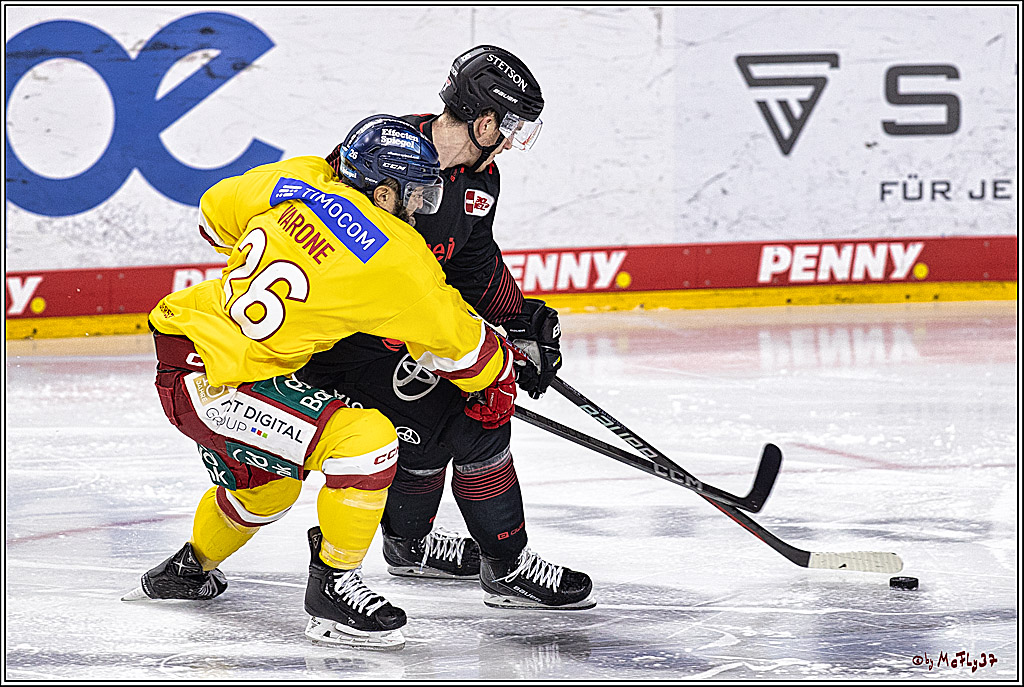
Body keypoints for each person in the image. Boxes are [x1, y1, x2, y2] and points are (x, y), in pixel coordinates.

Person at [122, 114, 524, 650]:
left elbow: (213, 217)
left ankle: (186, 569)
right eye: (417, 197)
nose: (423, 210)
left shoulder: (299, 178)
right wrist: (502, 374)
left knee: (267, 487)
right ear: (384, 192)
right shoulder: (398, 260)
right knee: (367, 442)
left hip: (189, 344)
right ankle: (332, 586)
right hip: (219, 380)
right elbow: (464, 350)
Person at [296, 46, 594, 610]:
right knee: (475, 420)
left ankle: (409, 546)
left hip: (407, 332)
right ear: (485, 122)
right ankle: (504, 566)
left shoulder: (483, 180)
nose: (509, 142)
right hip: (342, 340)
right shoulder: (383, 153)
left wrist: (518, 319)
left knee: (447, 411)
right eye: (509, 129)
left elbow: (473, 263)